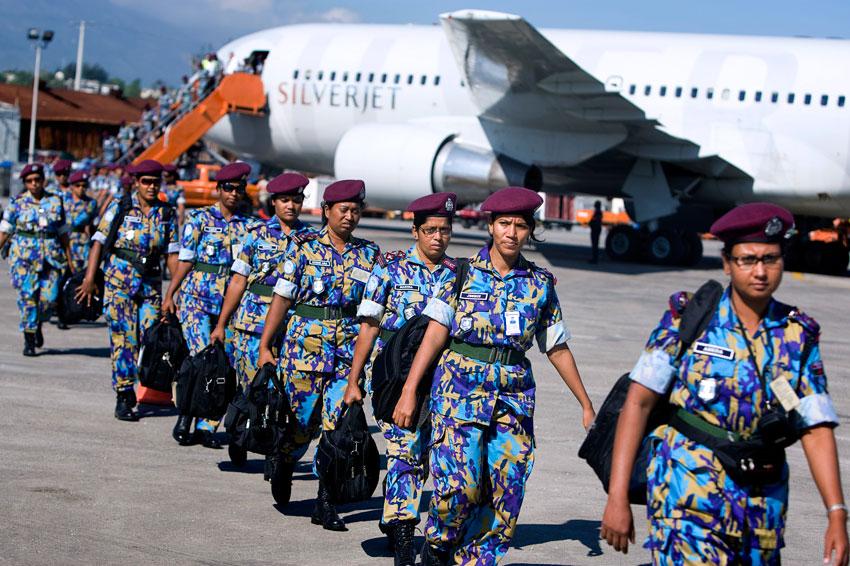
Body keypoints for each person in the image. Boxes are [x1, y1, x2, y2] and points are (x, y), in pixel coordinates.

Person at [600, 202, 849, 565]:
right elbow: (638, 402)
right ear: (727, 263)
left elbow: (816, 427)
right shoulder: (689, 319)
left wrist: (836, 512)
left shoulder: (798, 336)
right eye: (748, 260)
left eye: (770, 259)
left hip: (761, 506)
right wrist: (617, 496)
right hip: (688, 496)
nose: (760, 271)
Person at [396, 186, 595, 565]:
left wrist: (585, 404)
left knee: (506, 491)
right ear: (490, 226)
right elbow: (435, 334)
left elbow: (556, 346)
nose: (511, 233)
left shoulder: (539, 284)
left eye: (520, 225)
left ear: (530, 230)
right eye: (504, 223)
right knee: (459, 488)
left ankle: (475, 560)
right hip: (459, 395)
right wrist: (409, 390)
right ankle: (438, 543)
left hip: (513, 400)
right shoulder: (461, 274)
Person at [258, 179, 380, 531]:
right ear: (327, 211)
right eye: (343, 209)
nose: (350, 216)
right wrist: (266, 345)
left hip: (347, 356)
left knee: (336, 427)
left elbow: (374, 308)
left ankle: (324, 501)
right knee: (300, 425)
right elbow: (282, 298)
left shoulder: (369, 254)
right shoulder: (303, 248)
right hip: (304, 352)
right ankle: (284, 459)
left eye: (355, 210)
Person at [343, 192, 458, 565]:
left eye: (444, 230)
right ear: (415, 231)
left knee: (423, 455)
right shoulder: (389, 268)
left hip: (439, 377)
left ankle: (394, 512)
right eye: (430, 230)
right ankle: (405, 533)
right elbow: (369, 325)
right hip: (394, 374)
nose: (438, 237)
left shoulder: (459, 274)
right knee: (404, 449)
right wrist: (354, 379)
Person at [76, 160, 179, 422]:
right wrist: (89, 278)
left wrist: (173, 293)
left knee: (150, 337)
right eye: (146, 182)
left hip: (150, 286)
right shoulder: (120, 207)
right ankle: (123, 394)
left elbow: (172, 255)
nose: (151, 186)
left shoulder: (166, 213)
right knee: (124, 339)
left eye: (156, 182)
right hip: (118, 284)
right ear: (136, 183)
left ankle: (144, 381)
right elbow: (98, 242)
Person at [163, 162, 252, 447]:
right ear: (218, 189)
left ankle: (207, 425)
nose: (234, 193)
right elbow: (186, 260)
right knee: (199, 360)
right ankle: (185, 415)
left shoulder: (249, 226)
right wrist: (170, 293)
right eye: (229, 188)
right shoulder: (199, 219)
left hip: (230, 305)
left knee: (222, 364)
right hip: (197, 300)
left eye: (239, 189)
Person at [210, 172, 314, 389]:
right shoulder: (256, 234)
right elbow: (238, 281)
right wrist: (221, 324)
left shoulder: (312, 239)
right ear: (273, 202)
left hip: (292, 326)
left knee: (285, 392)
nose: (291, 206)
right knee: (250, 389)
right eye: (284, 200)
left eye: (296, 200)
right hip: (253, 323)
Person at [0, 163, 71, 355]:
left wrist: (70, 259)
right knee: (28, 298)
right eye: (29, 181)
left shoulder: (56, 201)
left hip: (51, 258)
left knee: (50, 298)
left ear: (43, 180)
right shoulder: (17, 203)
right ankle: (29, 339)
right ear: (25, 183)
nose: (34, 184)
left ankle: (38, 321)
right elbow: (5, 231)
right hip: (24, 259)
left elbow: (63, 232)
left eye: (37, 180)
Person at [63, 170, 98, 274]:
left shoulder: (91, 203)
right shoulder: (63, 200)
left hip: (82, 242)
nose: (81, 188)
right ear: (72, 186)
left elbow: (94, 223)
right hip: (66, 240)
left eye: (84, 186)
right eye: (78, 185)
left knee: (81, 274)